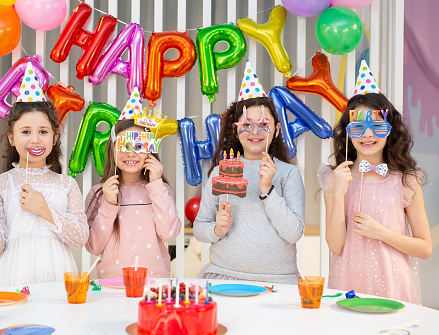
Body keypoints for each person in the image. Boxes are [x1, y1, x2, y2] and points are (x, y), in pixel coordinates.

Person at [319, 62, 431, 303]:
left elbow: (425, 248)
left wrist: (380, 233)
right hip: (347, 284)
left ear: (389, 130)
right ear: (348, 132)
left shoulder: (405, 180)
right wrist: (339, 193)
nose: (367, 134)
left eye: (377, 126)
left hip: (392, 287)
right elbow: (336, 246)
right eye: (358, 126)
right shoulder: (335, 178)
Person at [193, 61, 305, 283]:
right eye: (247, 124)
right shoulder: (220, 171)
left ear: (277, 129)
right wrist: (217, 229)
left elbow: (294, 233)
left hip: (278, 281)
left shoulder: (288, 173)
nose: (255, 131)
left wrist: (267, 190)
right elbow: (199, 227)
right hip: (224, 277)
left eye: (264, 124)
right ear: (236, 129)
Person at [0, 101, 89, 287]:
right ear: (11, 138)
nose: (35, 139)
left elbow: (80, 238)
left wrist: (45, 209)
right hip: (10, 279)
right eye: (26, 132)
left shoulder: (67, 185)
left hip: (55, 278)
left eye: (43, 132)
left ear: (54, 138)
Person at [85, 118, 181, 278]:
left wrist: (156, 184)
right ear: (112, 149)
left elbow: (169, 232)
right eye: (124, 146)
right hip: (112, 284)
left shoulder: (159, 189)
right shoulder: (99, 193)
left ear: (150, 150)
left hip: (154, 283)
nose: (131, 153)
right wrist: (109, 204)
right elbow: (93, 247)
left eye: (139, 146)